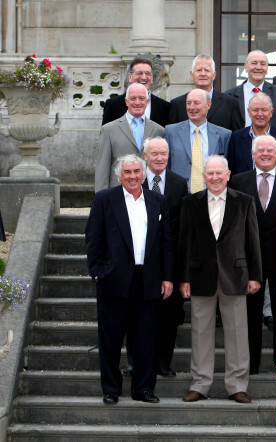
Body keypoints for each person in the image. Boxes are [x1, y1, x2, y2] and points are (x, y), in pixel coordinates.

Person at [85, 154, 173, 405]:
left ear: (144, 174)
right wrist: (98, 272)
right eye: (127, 172)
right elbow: (93, 238)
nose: (132, 176)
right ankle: (111, 389)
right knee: (111, 338)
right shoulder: (105, 199)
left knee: (146, 339)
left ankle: (143, 388)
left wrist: (167, 277)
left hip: (148, 280)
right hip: (114, 280)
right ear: (119, 175)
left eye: (136, 171)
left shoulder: (158, 201)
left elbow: (166, 243)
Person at [178, 155, 262, 404]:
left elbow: (252, 241)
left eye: (219, 173)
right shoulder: (190, 203)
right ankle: (200, 384)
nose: (214, 177)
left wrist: (255, 276)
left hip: (235, 276)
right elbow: (184, 243)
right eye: (210, 173)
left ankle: (237, 385)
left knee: (237, 332)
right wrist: (183, 278)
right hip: (200, 275)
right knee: (200, 332)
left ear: (228, 174)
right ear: (203, 176)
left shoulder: (244, 202)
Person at [230, 135, 276, 373]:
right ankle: (250, 364)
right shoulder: (239, 181)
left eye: (270, 150)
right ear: (252, 154)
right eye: (260, 150)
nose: (265, 153)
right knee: (250, 314)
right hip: (248, 257)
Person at [141, 137, 188, 377]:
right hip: (141, 261)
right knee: (138, 315)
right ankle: (137, 361)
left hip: (171, 261)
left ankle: (163, 363)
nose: (159, 158)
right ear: (145, 155)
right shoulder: (135, 180)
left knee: (169, 317)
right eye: (155, 154)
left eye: (163, 154)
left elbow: (183, 225)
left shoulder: (179, 183)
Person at [95, 83, 165, 192]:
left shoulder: (159, 130)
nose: (137, 102)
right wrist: (101, 200)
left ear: (147, 101)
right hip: (117, 194)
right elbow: (102, 169)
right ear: (126, 101)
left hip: (148, 194)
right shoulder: (108, 130)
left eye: (141, 98)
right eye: (133, 98)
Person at [165, 89, 231, 192]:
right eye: (188, 103)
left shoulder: (224, 135)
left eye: (196, 103)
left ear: (208, 105)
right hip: (178, 196)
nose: (192, 107)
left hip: (210, 195)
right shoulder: (171, 131)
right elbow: (167, 166)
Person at [226, 92, 276, 175]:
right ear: (249, 112)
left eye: (264, 110)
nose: (260, 114)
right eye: (255, 110)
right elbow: (231, 172)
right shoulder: (236, 138)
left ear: (271, 112)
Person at [168, 54, 243, 131]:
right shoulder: (177, 105)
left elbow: (237, 137)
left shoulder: (230, 104)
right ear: (192, 74)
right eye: (199, 70)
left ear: (214, 75)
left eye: (207, 70)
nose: (203, 74)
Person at [225, 50, 276, 129]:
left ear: (267, 68)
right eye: (254, 63)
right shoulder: (230, 95)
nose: (258, 67)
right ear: (246, 67)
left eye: (263, 64)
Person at [101, 56, 171, 127]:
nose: (144, 77)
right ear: (130, 77)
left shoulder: (165, 107)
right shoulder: (113, 105)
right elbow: (106, 135)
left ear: (152, 78)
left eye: (147, 73)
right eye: (139, 73)